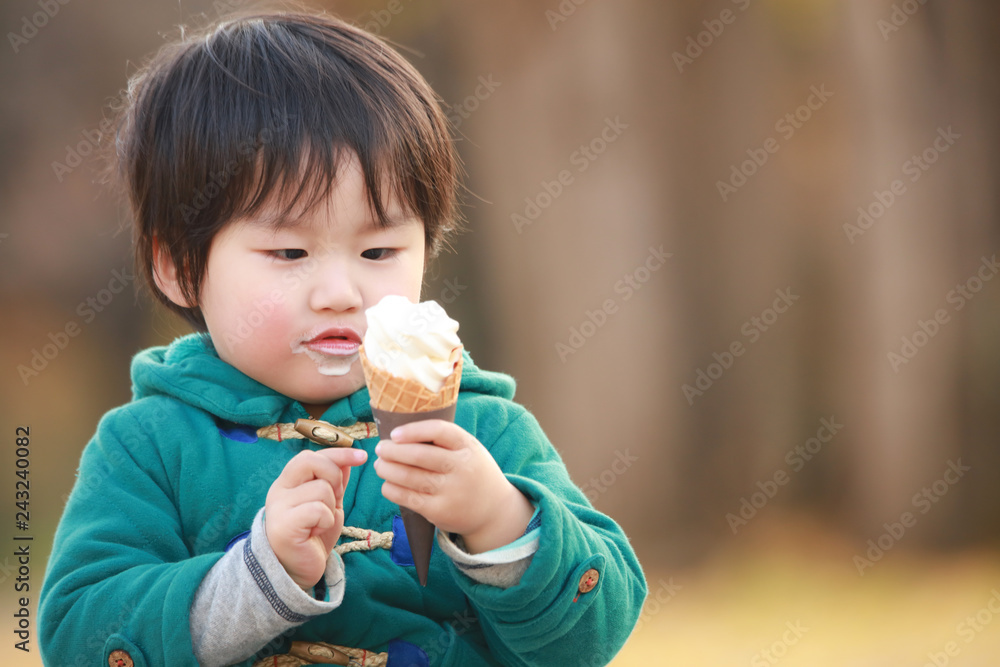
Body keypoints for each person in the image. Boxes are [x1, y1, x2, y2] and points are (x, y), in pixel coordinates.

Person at [38, 9, 647, 667]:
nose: (340, 291)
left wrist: (500, 520)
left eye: (380, 250)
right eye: (291, 251)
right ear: (178, 267)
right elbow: (78, 636)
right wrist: (258, 576)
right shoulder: (148, 446)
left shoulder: (486, 432)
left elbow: (592, 637)